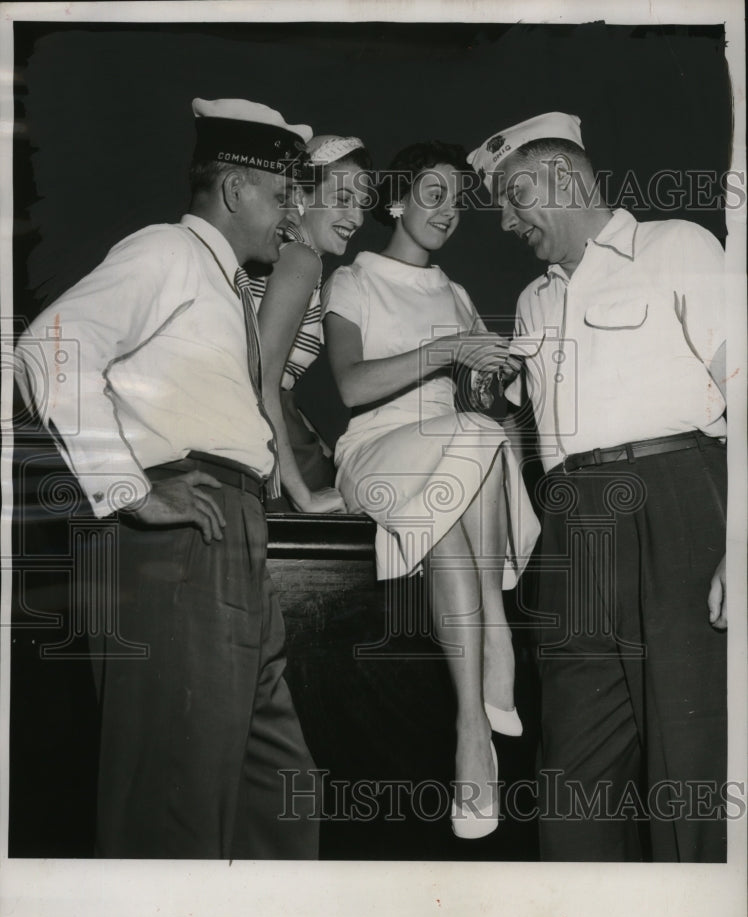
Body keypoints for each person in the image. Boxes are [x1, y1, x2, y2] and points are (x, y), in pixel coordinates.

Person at [15, 97, 321, 860]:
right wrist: (129, 487)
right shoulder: (168, 250)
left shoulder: (225, 284)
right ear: (236, 188)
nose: (293, 218)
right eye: (282, 196)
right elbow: (51, 345)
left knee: (276, 795)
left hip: (230, 537)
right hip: (181, 541)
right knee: (172, 808)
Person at [469, 111, 728, 861]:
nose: (507, 221)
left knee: (690, 765)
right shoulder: (533, 300)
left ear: (566, 178)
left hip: (676, 500)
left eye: (516, 196)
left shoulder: (677, 245)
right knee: (572, 779)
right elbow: (527, 428)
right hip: (572, 527)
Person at [322, 141, 540, 839]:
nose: (449, 211)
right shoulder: (353, 280)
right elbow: (351, 386)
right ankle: (496, 632)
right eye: (433, 194)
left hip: (456, 456)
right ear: (396, 201)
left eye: (458, 200)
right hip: (377, 449)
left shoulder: (457, 293)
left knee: (474, 446)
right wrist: (449, 350)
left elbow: (486, 406)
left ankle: (470, 734)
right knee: (472, 440)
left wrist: (498, 372)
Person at [254, 134, 372, 513]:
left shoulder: (282, 251)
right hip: (255, 433)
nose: (357, 218)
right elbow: (261, 380)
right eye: (342, 199)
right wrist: (302, 495)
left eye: (361, 204)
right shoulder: (301, 259)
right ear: (301, 196)